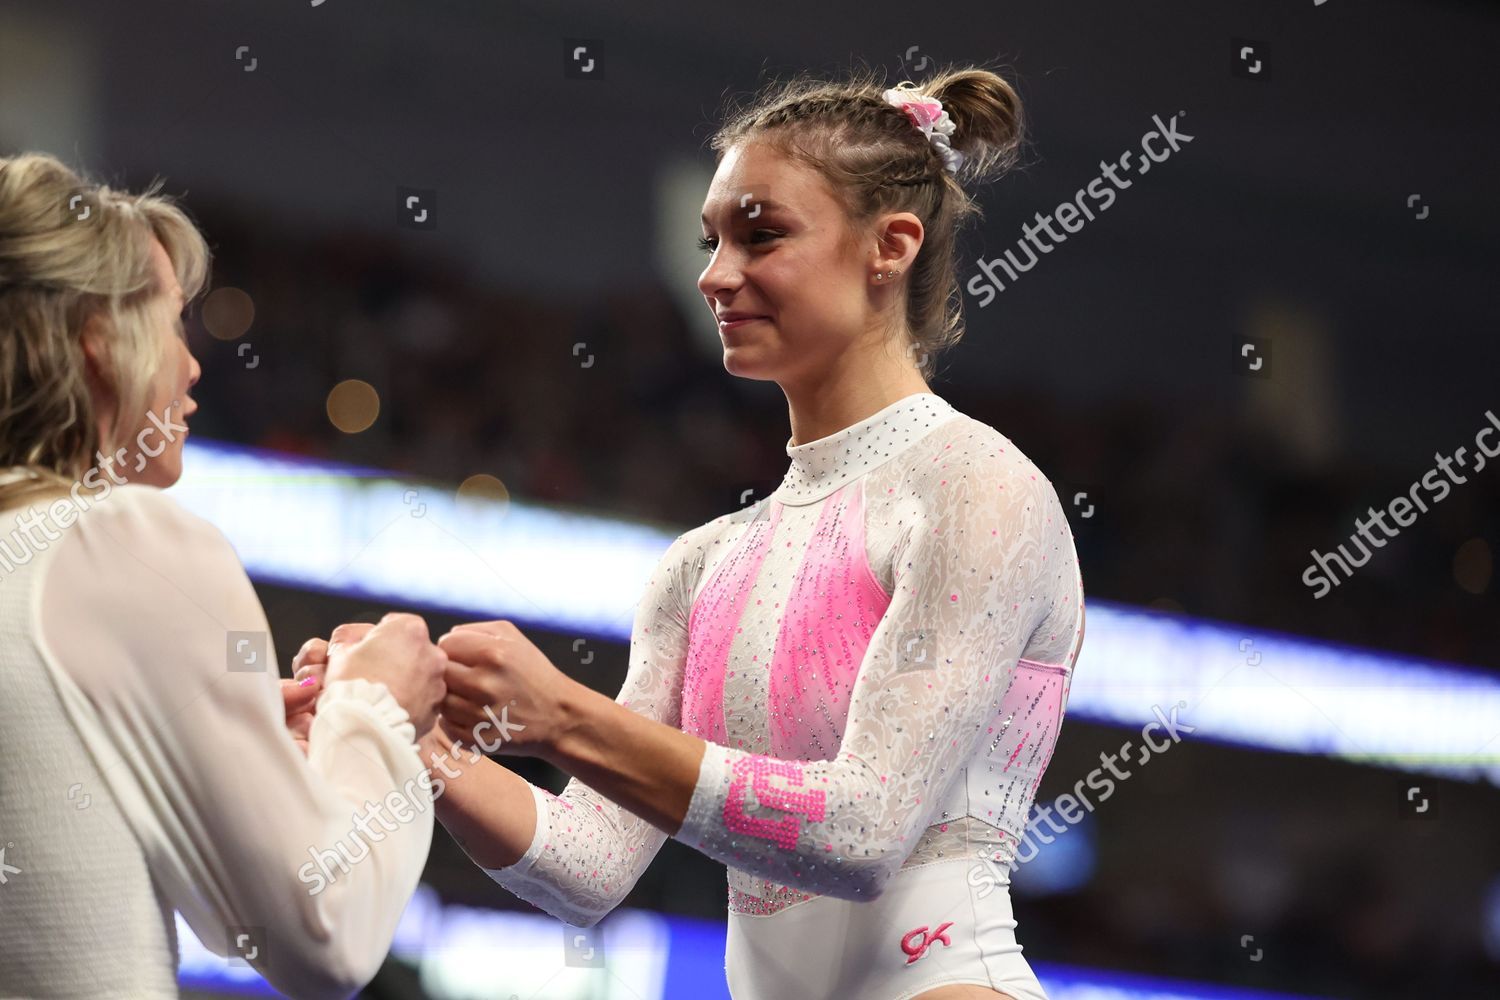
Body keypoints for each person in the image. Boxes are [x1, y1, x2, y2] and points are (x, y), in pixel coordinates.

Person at [306, 65, 1086, 1000]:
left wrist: (562, 716)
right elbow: (586, 868)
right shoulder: (702, 565)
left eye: (762, 236)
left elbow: (864, 833)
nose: (716, 276)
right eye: (711, 240)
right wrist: (404, 734)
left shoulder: (976, 486)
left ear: (892, 245)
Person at [0, 152, 449, 999]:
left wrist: (241, 756)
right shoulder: (121, 540)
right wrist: (375, 706)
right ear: (99, 337)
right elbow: (324, 929)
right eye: (173, 325)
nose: (193, 365)